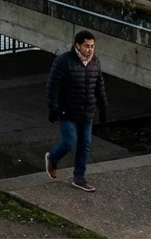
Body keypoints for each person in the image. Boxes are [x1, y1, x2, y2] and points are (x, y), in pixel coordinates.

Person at [44, 31, 108, 192]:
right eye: (86, 46)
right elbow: (53, 87)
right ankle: (52, 157)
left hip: (87, 112)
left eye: (92, 46)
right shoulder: (63, 61)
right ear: (77, 45)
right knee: (69, 142)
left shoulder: (95, 63)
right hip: (68, 111)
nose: (90, 50)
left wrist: (103, 107)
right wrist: (53, 108)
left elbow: (99, 87)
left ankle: (79, 178)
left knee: (85, 144)